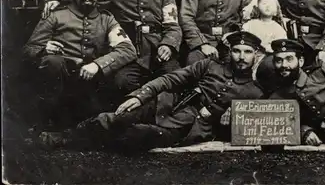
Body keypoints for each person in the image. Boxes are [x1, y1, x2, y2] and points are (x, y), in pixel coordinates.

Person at [38, 31, 265, 151]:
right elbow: (170, 78)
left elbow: (245, 131)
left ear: (256, 55)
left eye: (247, 52)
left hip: (186, 127)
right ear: (230, 52)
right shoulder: (209, 65)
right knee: (116, 117)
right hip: (164, 103)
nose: (241, 57)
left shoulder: (255, 92)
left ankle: (95, 141)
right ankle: (62, 139)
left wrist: (233, 118)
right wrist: (140, 96)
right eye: (236, 51)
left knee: (135, 135)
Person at [23, 0, 137, 129]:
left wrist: (97, 65)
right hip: (60, 80)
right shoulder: (56, 16)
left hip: (89, 80)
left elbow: (127, 49)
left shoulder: (106, 19)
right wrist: (43, 49)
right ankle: (47, 120)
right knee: (52, 62)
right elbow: (28, 49)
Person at [99, 0, 182, 100]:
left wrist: (168, 45)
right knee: (122, 82)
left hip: (157, 50)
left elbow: (172, 25)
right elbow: (100, 22)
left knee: (175, 77)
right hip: (126, 52)